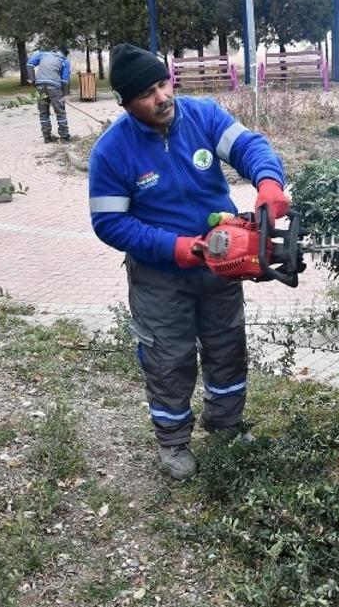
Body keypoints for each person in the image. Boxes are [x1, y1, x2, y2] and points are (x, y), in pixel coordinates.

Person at [87, 43, 291, 481]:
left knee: (227, 347)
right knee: (169, 359)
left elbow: (249, 146)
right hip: (159, 276)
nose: (162, 97)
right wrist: (177, 247)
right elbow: (109, 224)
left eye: (163, 83)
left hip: (221, 262)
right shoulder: (111, 152)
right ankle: (173, 442)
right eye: (147, 93)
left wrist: (269, 182)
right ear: (126, 104)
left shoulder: (202, 115)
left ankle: (226, 423)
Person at [27, 47, 71, 142]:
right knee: (60, 112)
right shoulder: (64, 60)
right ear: (65, 54)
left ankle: (46, 137)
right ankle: (64, 136)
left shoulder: (43, 54)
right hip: (54, 87)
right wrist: (65, 95)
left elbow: (30, 64)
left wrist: (33, 80)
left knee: (43, 112)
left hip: (40, 86)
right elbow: (64, 80)